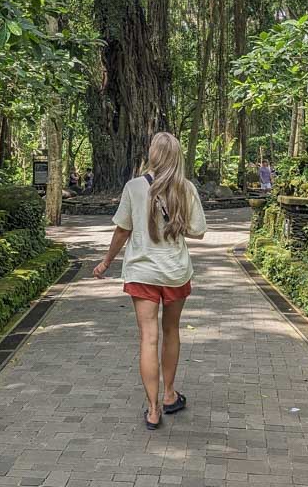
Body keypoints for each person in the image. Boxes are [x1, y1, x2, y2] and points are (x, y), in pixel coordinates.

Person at [93, 132, 207, 430]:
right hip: (174, 271)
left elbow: (122, 230)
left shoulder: (134, 187)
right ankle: (169, 395)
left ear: (153, 154)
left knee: (148, 337)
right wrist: (176, 223)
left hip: (142, 272)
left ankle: (153, 409)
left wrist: (106, 262)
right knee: (170, 331)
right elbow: (199, 231)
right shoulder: (185, 188)